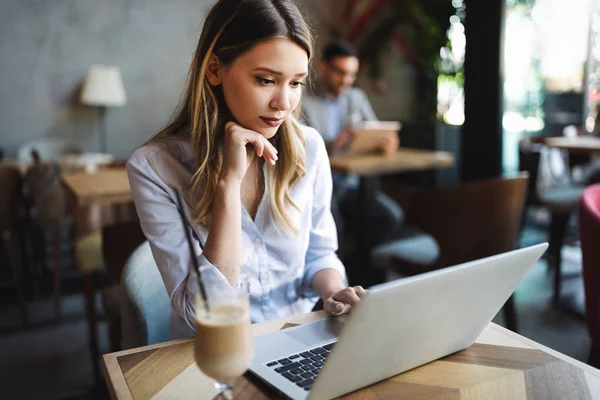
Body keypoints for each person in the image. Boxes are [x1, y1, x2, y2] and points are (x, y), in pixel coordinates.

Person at [126, 0, 365, 339]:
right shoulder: (154, 167)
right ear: (214, 70)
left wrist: (333, 292)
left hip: (294, 338)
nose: (284, 103)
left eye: (296, 83)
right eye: (266, 80)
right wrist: (228, 183)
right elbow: (205, 312)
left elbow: (320, 253)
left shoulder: (309, 148)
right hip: (213, 352)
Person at [301, 40, 403, 252]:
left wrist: (386, 142)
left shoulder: (356, 97)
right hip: (321, 185)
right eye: (340, 72)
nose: (346, 80)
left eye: (352, 74)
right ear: (324, 67)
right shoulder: (303, 98)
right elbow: (299, 147)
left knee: (390, 217)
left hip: (353, 184)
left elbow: (376, 129)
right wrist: (331, 145)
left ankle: (370, 274)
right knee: (333, 226)